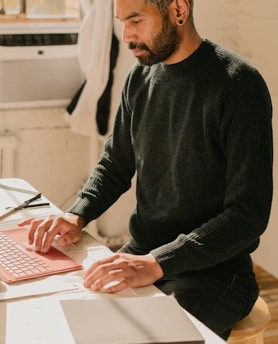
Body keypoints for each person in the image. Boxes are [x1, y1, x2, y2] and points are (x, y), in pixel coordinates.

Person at [19, 0, 273, 340]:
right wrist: (75, 215)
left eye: (136, 20)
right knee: (64, 321)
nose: (126, 35)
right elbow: (115, 163)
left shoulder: (238, 85)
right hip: (143, 255)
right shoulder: (139, 77)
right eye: (122, 22)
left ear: (178, 11)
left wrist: (157, 263)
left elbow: (247, 215)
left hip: (215, 274)